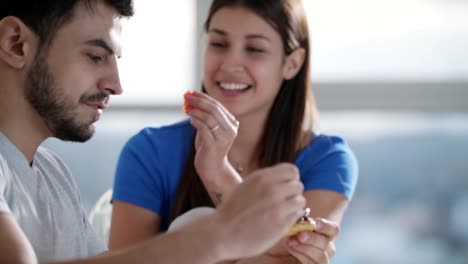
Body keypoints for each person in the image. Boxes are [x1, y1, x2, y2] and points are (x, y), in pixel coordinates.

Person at [0, 0, 309, 263]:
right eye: (95, 56)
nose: (115, 85)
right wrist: (219, 234)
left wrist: (266, 249)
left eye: (114, 60)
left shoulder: (54, 177)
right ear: (15, 43)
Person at [110, 0, 358, 263]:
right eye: (219, 44)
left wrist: (217, 172)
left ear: (292, 64)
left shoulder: (328, 160)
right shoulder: (149, 152)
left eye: (254, 49)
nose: (230, 64)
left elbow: (295, 255)